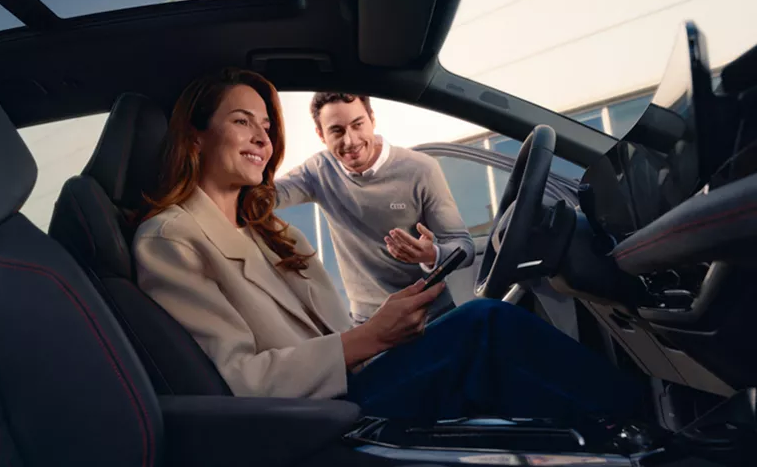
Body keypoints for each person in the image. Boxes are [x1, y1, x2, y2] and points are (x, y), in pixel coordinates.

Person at [133, 68, 643, 422]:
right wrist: (370, 337)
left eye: (266, 126)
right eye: (242, 121)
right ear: (194, 136)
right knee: (487, 327)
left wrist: (391, 313)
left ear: (373, 122)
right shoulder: (172, 239)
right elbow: (238, 382)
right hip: (320, 418)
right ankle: (647, 427)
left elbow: (453, 244)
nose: (264, 139)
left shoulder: (271, 233)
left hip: (359, 370)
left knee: (486, 333)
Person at [274, 93, 472, 324]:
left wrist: (432, 255)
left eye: (357, 125)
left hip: (432, 316)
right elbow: (265, 197)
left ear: (372, 119)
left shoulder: (421, 169)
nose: (350, 140)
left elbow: (464, 248)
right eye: (337, 131)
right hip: (369, 323)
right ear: (321, 134)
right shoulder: (318, 171)